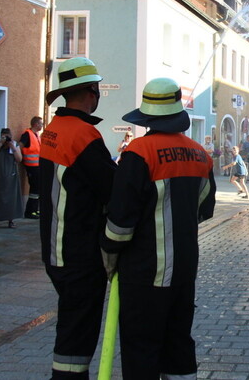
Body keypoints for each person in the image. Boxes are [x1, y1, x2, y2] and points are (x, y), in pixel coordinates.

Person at [100, 78, 215, 380]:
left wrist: (110, 257)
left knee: (141, 348)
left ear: (147, 116)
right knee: (178, 343)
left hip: (144, 272)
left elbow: (120, 222)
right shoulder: (201, 155)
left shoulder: (138, 153)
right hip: (184, 269)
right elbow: (204, 209)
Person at [39, 56, 116, 378]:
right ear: (91, 92)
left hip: (56, 249)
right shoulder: (83, 135)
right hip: (79, 253)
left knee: (71, 324)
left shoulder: (54, 129)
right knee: (77, 335)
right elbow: (111, 188)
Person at [20, 116, 43, 219]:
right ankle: (30, 211)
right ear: (35, 124)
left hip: (37, 166)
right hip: (31, 166)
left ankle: (34, 210)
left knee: (37, 188)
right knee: (35, 188)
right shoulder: (27, 134)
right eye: (41, 124)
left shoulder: (36, 135)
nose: (42, 125)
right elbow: (20, 145)